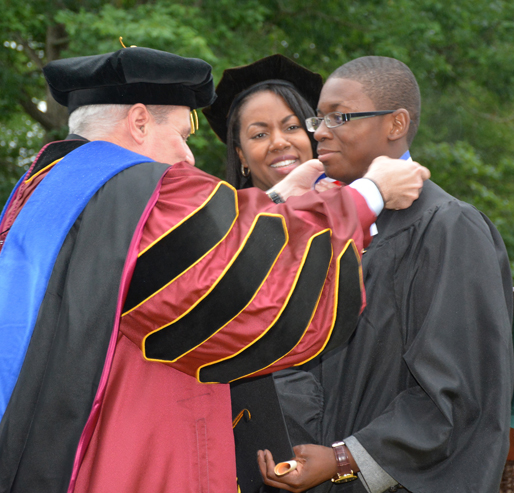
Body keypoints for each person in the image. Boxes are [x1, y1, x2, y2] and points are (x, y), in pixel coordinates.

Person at [0, 47, 428, 493]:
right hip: (130, 460)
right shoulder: (141, 192)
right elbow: (244, 286)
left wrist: (279, 201)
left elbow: (188, 258)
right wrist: (368, 195)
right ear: (140, 121)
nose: (187, 155)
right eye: (183, 134)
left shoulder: (42, 189)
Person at [258, 56, 514, 493]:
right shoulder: (325, 225)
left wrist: (345, 458)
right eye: (319, 117)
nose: (319, 131)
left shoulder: (449, 227)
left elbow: (460, 388)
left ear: (396, 124)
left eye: (339, 117)